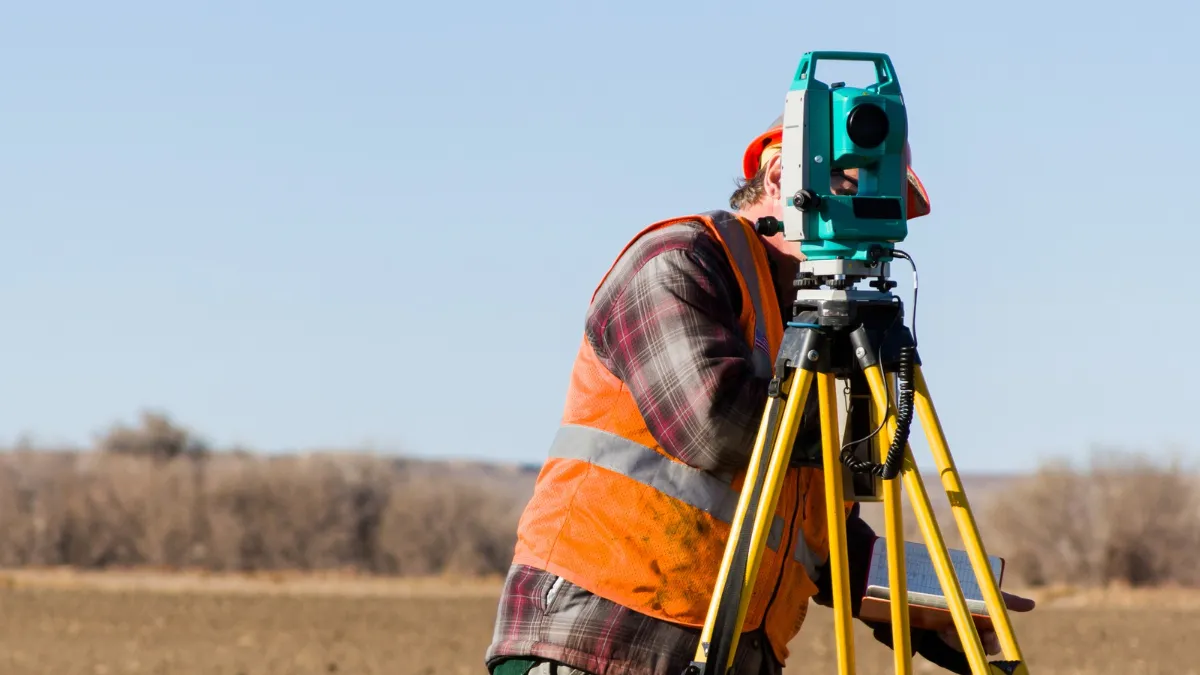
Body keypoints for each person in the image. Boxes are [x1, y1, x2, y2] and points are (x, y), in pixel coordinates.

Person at [483, 115, 1033, 675]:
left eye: (886, 206)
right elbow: (715, 426)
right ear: (779, 178)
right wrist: (851, 429)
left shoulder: (805, 322)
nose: (873, 226)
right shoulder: (681, 259)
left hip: (729, 656)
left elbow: (816, 531)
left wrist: (932, 605)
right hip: (598, 641)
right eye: (855, 190)